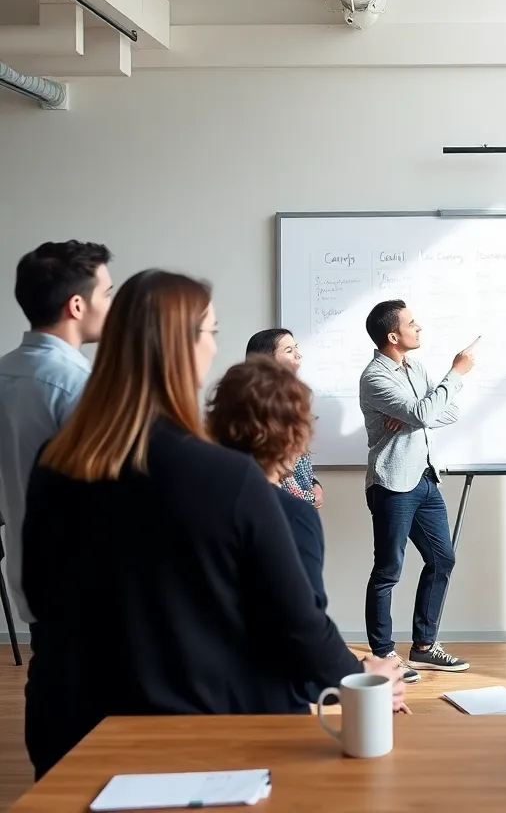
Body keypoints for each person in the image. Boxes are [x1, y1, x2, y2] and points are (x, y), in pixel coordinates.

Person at [21, 270, 404, 779]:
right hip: (182, 742)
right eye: (211, 332)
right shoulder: (223, 476)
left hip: (67, 728)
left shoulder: (57, 458)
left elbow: (38, 593)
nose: (214, 348)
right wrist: (361, 676)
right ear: (184, 348)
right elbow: (297, 622)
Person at [207, 356, 339, 706]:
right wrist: (361, 679)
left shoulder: (192, 498)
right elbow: (303, 631)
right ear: (294, 434)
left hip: (195, 695)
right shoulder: (291, 515)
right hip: (265, 704)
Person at [359, 299, 477, 682]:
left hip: (425, 478)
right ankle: (383, 654)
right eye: (412, 323)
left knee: (443, 559)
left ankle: (424, 648)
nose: (419, 327)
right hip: (392, 482)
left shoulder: (417, 368)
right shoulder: (375, 377)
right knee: (388, 569)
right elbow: (426, 413)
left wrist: (412, 414)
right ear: (393, 336)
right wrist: (453, 376)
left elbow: (447, 411)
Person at [0, 240, 113, 627]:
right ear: (77, 306)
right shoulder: (82, 386)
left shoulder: (4, 374)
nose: (111, 305)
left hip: (28, 578)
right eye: (107, 293)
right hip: (86, 586)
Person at [245, 328, 324, 509]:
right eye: (289, 351)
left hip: (298, 503)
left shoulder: (292, 397)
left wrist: (314, 484)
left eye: (296, 348)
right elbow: (275, 466)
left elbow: (299, 459)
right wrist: (308, 497)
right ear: (267, 359)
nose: (298, 355)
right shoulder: (260, 403)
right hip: (276, 506)